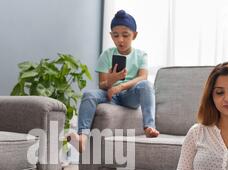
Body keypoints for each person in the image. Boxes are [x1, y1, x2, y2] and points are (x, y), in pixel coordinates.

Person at [68, 10, 160, 153]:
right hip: (111, 95)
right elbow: (102, 85)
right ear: (111, 36)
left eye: (125, 35)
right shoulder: (106, 55)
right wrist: (111, 81)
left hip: (129, 95)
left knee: (146, 85)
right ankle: (82, 139)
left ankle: (149, 126)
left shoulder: (141, 55)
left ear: (134, 35)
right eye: (116, 35)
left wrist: (120, 86)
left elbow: (143, 77)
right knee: (89, 95)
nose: (120, 40)